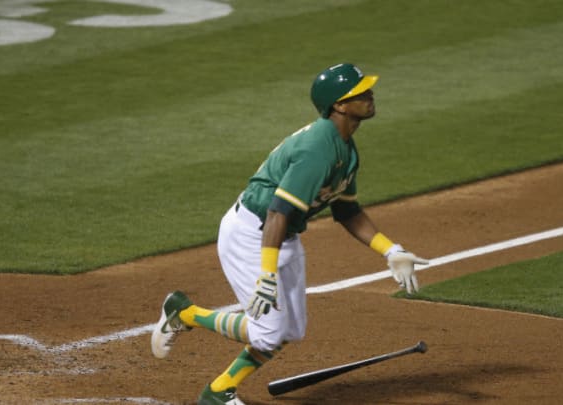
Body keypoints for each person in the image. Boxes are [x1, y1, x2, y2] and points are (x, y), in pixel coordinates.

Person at [150, 62, 428, 405]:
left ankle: (200, 348)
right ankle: (199, 346)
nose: (370, 95)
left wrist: (390, 250)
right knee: (269, 332)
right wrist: (266, 274)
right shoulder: (319, 149)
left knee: (290, 330)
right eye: (360, 92)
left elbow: (346, 211)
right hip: (254, 233)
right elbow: (277, 212)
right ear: (339, 105)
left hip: (280, 235)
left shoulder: (345, 149)